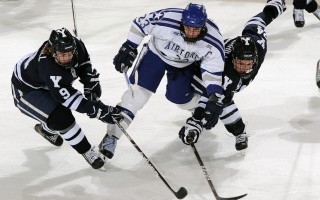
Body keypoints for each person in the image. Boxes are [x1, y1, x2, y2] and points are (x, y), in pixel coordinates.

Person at [98, 3, 225, 159]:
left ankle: (196, 109)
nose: (191, 33)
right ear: (182, 22)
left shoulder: (213, 40)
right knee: (137, 95)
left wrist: (212, 98)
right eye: (188, 27)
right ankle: (112, 136)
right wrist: (129, 46)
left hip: (183, 65)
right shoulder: (167, 18)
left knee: (180, 99)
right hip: (155, 55)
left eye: (196, 29)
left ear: (203, 26)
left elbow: (213, 73)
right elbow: (140, 23)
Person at [178, 0, 287, 151]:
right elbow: (213, 97)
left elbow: (258, 21)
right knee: (220, 98)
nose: (244, 68)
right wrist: (196, 121)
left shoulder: (259, 43)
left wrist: (275, 6)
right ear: (233, 59)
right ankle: (239, 131)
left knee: (222, 98)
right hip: (200, 68)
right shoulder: (225, 67)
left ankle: (237, 131)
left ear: (255, 59)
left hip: (225, 76)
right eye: (240, 63)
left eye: (248, 63)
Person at [11, 28, 123, 169]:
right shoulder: (48, 66)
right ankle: (87, 151)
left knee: (57, 117)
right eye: (62, 54)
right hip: (26, 90)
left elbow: (84, 63)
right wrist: (98, 110)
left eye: (70, 53)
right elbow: (70, 99)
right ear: (52, 51)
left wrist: (88, 81)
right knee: (61, 118)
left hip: (46, 83)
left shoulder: (77, 45)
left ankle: (47, 130)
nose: (67, 58)